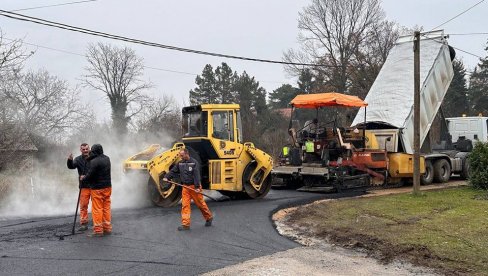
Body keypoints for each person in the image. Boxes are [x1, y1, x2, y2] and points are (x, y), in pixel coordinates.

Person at [163, 148, 213, 231]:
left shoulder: (194, 163)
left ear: (186, 154)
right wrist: (166, 177)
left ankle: (209, 217)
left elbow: (196, 175)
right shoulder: (180, 163)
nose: (181, 157)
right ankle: (185, 224)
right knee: (185, 206)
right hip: (185, 187)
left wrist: (197, 187)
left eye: (182, 155)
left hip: (194, 187)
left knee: (201, 204)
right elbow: (173, 171)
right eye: (180, 155)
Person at [81, 144, 112, 237]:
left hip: (97, 188)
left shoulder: (94, 161)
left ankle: (98, 230)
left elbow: (90, 175)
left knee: (97, 209)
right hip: (108, 187)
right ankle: (107, 228)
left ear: (94, 151)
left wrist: (83, 178)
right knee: (106, 207)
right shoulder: (107, 158)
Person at [67, 143, 91, 231]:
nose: (85, 151)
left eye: (86, 149)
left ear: (89, 148)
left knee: (97, 206)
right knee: (83, 205)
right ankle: (84, 224)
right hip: (84, 186)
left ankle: (99, 223)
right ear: (80, 150)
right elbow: (71, 166)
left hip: (95, 185)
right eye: (83, 149)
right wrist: (70, 160)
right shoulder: (78, 159)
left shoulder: (94, 157)